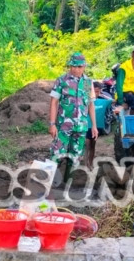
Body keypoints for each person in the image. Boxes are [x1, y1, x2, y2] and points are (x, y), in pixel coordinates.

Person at [48, 52, 98, 180]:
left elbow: (91, 105)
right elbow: (54, 102)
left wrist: (94, 126)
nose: (76, 69)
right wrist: (52, 124)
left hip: (81, 126)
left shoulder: (87, 82)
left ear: (84, 67)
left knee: (75, 157)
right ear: (70, 66)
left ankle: (67, 183)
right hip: (63, 125)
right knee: (57, 153)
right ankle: (44, 183)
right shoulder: (62, 80)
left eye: (79, 67)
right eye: (73, 66)